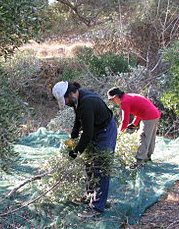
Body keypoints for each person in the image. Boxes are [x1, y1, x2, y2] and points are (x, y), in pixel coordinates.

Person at [52, 81, 117, 218]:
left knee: (100, 167)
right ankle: (89, 195)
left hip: (105, 131)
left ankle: (97, 206)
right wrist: (75, 130)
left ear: (70, 94)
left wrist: (75, 152)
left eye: (66, 100)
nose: (67, 103)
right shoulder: (78, 98)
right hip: (96, 129)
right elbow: (79, 116)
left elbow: (87, 134)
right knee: (89, 163)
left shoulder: (87, 102)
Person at [107, 87, 160, 169]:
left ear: (117, 96)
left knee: (143, 137)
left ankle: (139, 162)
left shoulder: (125, 102)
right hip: (154, 114)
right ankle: (147, 157)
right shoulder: (129, 96)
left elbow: (125, 120)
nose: (113, 102)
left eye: (112, 99)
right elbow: (140, 109)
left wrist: (120, 133)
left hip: (148, 117)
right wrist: (134, 122)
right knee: (150, 136)